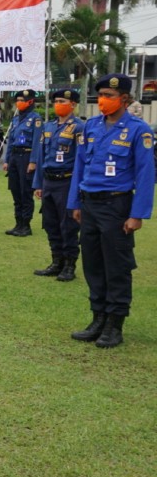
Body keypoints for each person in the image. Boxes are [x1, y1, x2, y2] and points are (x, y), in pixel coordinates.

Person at [68, 73, 154, 348]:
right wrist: (75, 203)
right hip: (90, 204)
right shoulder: (90, 127)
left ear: (125, 99)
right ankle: (98, 318)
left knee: (116, 266)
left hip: (116, 206)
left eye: (109, 96)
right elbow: (79, 168)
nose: (103, 101)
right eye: (101, 95)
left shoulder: (139, 130)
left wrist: (137, 214)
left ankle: (115, 324)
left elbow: (145, 174)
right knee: (92, 264)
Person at [31, 89, 85, 282]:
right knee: (50, 223)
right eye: (56, 101)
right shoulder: (48, 126)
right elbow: (40, 156)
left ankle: (70, 265)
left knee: (67, 225)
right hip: (49, 181)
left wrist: (78, 188)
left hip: (67, 181)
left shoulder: (79, 128)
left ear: (73, 104)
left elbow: (81, 160)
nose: (58, 104)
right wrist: (38, 184)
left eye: (62, 101)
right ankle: (56, 261)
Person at [4, 89, 41, 236]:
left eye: (22, 100)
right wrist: (6, 160)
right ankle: (18, 223)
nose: (19, 103)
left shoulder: (36, 119)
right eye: (17, 100)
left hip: (26, 157)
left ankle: (26, 225)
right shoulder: (15, 119)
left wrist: (33, 161)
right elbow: (11, 141)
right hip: (14, 157)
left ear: (30, 102)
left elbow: (37, 143)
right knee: (15, 191)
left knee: (26, 192)